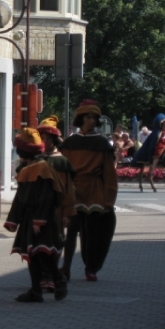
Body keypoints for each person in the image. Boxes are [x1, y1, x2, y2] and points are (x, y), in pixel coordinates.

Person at [4, 128, 68, 303]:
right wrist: (13, 221)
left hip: (42, 219)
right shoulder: (29, 168)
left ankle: (57, 280)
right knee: (33, 254)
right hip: (30, 219)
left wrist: (39, 221)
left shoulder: (42, 168)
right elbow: (21, 199)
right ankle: (36, 290)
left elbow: (47, 197)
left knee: (42, 254)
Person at [59, 99, 118, 282]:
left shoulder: (102, 143)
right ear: (81, 119)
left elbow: (109, 174)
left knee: (93, 233)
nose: (92, 120)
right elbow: (63, 170)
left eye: (94, 117)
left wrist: (109, 199)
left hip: (94, 190)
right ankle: (66, 268)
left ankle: (91, 268)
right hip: (74, 189)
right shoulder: (69, 143)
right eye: (88, 117)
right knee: (72, 229)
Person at [36, 115, 76, 292]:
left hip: (57, 210)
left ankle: (51, 276)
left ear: (52, 140)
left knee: (55, 242)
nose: (42, 141)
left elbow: (68, 190)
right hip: (37, 210)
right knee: (37, 243)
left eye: (45, 137)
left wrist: (68, 212)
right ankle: (42, 276)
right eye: (40, 137)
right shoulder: (34, 160)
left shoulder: (61, 161)